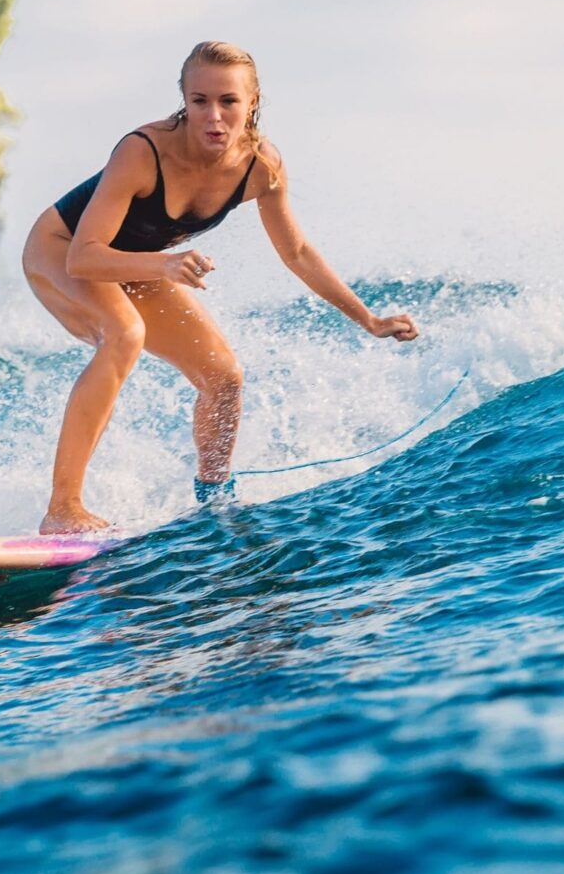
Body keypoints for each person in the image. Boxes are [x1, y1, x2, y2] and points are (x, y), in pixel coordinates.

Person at [21, 40, 422, 535]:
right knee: (124, 332)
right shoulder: (143, 152)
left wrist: (369, 319)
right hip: (61, 250)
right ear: (184, 100)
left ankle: (214, 502)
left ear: (252, 102)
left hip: (140, 265)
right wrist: (166, 265)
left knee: (224, 376)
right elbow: (84, 257)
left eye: (228, 101)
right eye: (199, 101)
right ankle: (63, 509)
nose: (213, 116)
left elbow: (296, 252)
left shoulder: (261, 167)